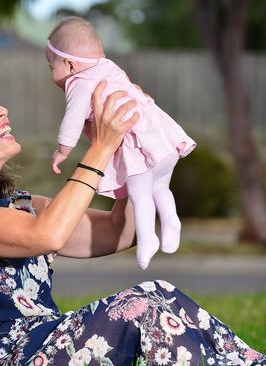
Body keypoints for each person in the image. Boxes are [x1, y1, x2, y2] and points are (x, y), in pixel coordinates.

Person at [0, 72, 265, 366]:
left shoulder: (25, 207)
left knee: (161, 292)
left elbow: (119, 232)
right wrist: (100, 147)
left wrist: (129, 148)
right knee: (145, 303)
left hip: (42, 343)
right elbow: (48, 235)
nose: (1, 110)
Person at [47, 17, 196, 269]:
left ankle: (148, 238)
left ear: (70, 65)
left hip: (137, 146)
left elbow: (73, 118)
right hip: (161, 137)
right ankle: (172, 224)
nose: (52, 74)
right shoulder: (110, 67)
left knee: (140, 194)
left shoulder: (78, 82)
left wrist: (63, 149)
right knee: (160, 188)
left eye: (51, 67)